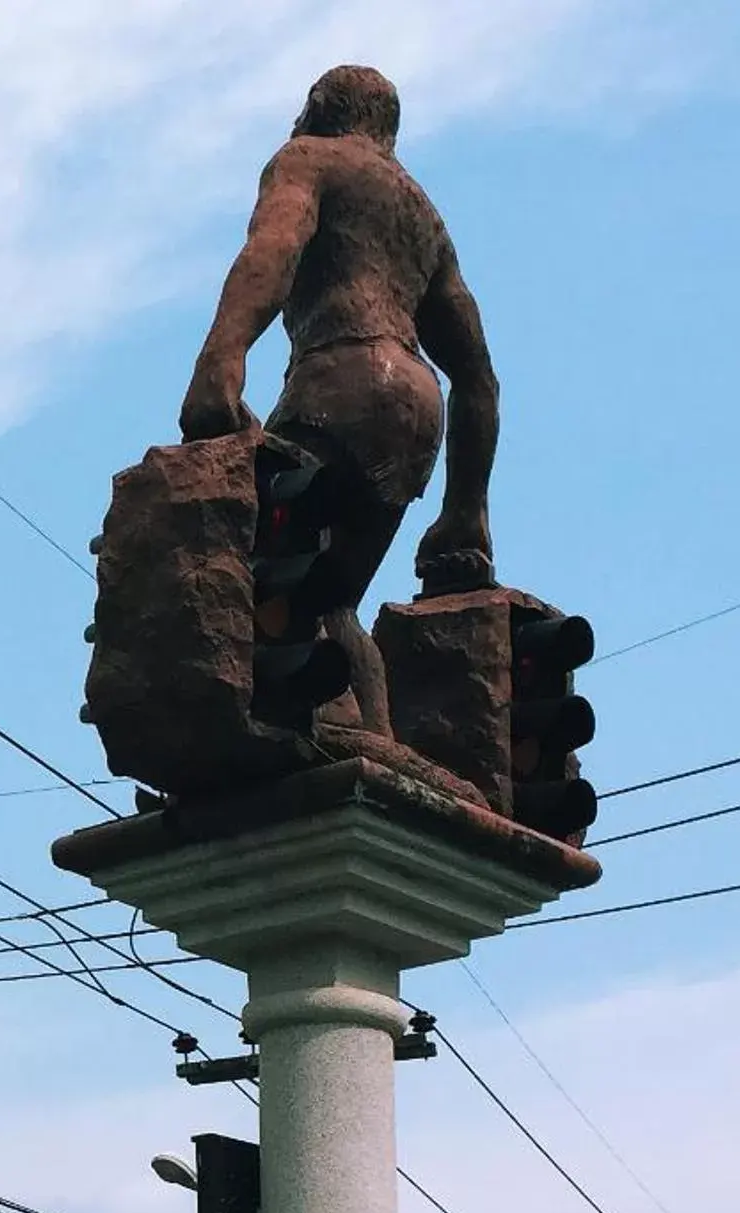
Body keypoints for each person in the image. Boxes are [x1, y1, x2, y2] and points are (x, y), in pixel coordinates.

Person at [178, 65, 501, 729]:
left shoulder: (308, 159)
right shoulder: (422, 215)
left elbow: (274, 247)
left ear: (320, 108)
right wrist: (465, 511)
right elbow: (477, 378)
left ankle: (307, 737)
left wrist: (222, 356)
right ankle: (375, 748)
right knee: (331, 599)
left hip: (342, 377)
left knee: (250, 567)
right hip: (416, 405)